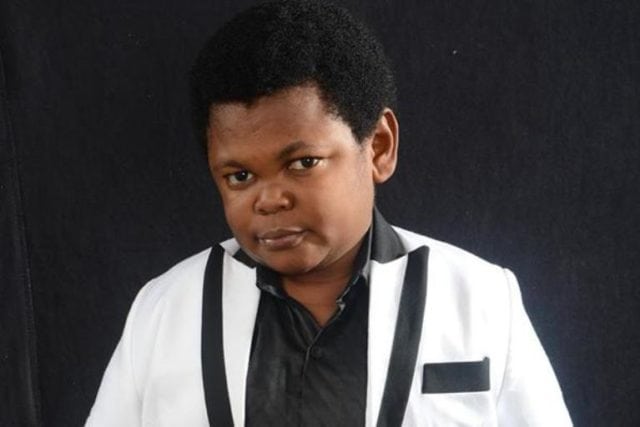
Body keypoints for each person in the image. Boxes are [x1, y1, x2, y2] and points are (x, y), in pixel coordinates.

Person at [86, 1, 572, 425]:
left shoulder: (482, 299)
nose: (269, 199)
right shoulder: (165, 309)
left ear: (378, 147)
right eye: (239, 175)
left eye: (303, 163)